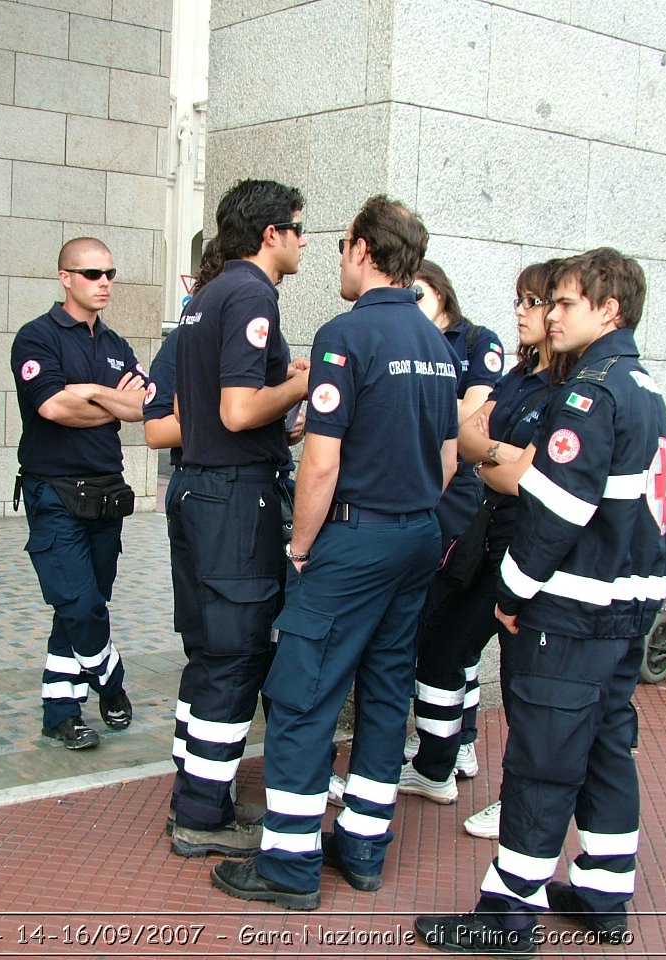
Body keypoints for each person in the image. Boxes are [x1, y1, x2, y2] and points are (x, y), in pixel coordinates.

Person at [415, 248, 666, 955]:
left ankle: (507, 915)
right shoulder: (640, 382)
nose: (551, 314)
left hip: (575, 607)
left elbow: (556, 508)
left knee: (543, 757)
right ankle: (601, 888)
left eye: (564, 302)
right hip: (625, 605)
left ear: (608, 309)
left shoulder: (590, 391)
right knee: (604, 743)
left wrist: (512, 588)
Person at [210, 195, 459, 910]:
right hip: (416, 534)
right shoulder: (440, 347)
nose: (337, 255)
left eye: (343, 243)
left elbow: (321, 461)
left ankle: (288, 865)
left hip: (355, 538)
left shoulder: (343, 336)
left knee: (301, 690)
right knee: (384, 691)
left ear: (362, 250)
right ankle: (363, 845)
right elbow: (446, 460)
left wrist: (301, 544)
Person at [167, 179, 310, 858]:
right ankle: (202, 813)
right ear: (271, 233)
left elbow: (218, 415)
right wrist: (303, 380)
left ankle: (194, 791)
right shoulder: (251, 293)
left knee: (208, 651)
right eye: (300, 229)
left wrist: (274, 420)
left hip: (200, 489)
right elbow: (237, 410)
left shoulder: (208, 295)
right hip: (233, 502)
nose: (306, 242)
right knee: (237, 652)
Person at [402, 262, 567, 822]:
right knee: (443, 646)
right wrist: (499, 454)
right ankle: (435, 766)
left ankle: (521, 799)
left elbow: (526, 477)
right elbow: (470, 437)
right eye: (519, 301)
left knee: (526, 679)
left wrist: (492, 455)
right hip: (485, 538)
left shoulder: (569, 389)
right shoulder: (521, 377)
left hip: (533, 550)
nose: (522, 311)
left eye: (534, 302)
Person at [10, 238, 144, 750]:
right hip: (54, 495)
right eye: (91, 273)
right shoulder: (37, 337)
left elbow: (142, 409)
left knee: (82, 607)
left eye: (109, 272)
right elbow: (52, 409)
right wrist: (112, 400)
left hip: (107, 494)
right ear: (65, 277)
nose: (104, 281)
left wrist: (87, 391)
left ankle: (60, 711)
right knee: (80, 603)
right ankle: (110, 681)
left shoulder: (116, 345)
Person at [398, 260, 505, 794]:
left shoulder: (477, 341)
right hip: (418, 486)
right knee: (437, 629)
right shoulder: (406, 338)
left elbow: (470, 416)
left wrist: (421, 411)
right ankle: (444, 738)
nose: (410, 301)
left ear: (441, 292)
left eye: (417, 292)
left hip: (459, 495)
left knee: (448, 627)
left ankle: (458, 742)